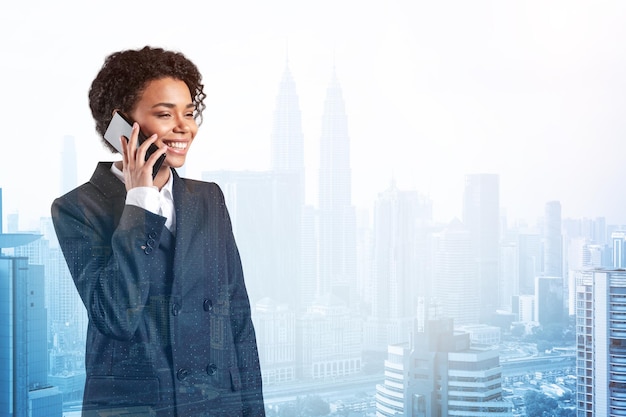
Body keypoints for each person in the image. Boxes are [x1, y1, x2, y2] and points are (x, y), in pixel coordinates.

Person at [51, 46, 265, 417]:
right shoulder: (78, 208)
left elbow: (239, 320)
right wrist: (140, 200)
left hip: (215, 404)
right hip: (138, 407)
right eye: (165, 114)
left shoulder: (208, 199)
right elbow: (116, 315)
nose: (185, 127)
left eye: (189, 113)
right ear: (122, 125)